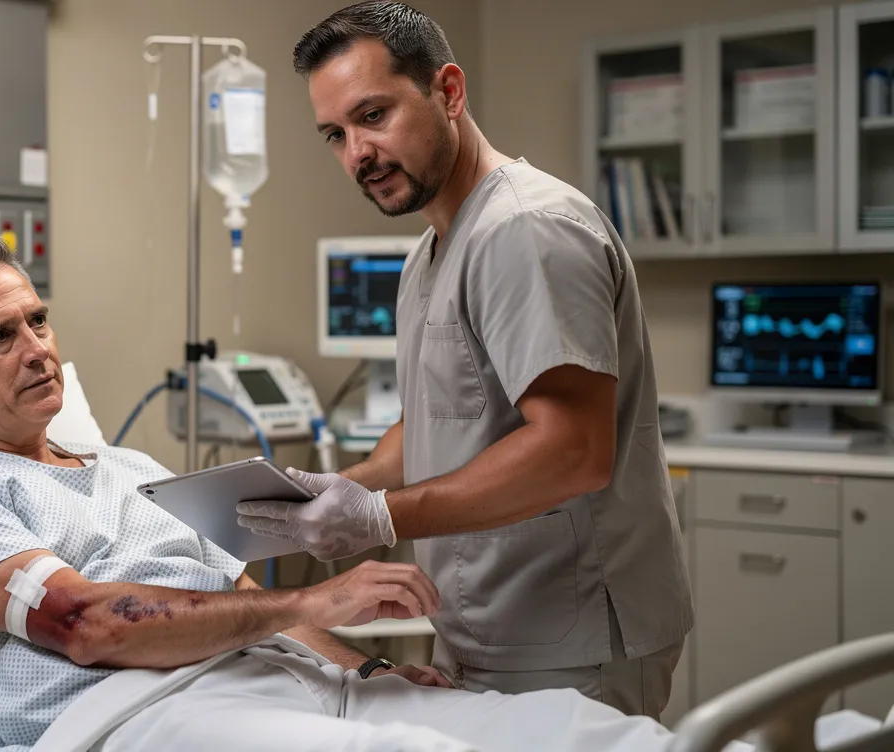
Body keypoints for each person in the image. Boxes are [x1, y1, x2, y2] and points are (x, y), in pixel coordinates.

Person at [0, 235, 694, 752]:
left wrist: (368, 670)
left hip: (277, 679)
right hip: (134, 715)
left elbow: (241, 595)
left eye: (38, 321)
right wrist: (322, 602)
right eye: (0, 337)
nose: (37, 348)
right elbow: (85, 624)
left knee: (557, 732)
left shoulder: (133, 471)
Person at [236, 1, 694, 720]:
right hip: (486, 629)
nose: (357, 152)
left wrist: (380, 516)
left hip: (569, 641)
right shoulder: (432, 249)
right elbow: (438, 420)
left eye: (374, 115)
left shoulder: (527, 231)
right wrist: (341, 489)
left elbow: (573, 450)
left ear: (448, 92)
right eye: (336, 133)